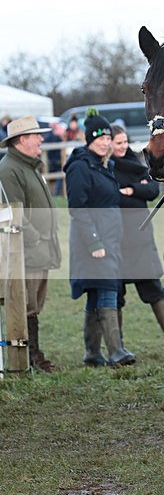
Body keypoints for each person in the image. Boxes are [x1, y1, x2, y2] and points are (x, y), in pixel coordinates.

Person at [64, 108, 135, 367]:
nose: (106, 143)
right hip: (92, 243)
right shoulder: (80, 167)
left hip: (109, 241)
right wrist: (94, 241)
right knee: (106, 290)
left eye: (108, 138)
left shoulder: (103, 166)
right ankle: (116, 350)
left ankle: (92, 353)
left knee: (97, 294)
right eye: (101, 139)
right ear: (90, 139)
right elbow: (78, 209)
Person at [0, 116, 61, 371]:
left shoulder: (28, 166)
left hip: (40, 248)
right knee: (25, 305)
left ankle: (33, 355)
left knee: (34, 305)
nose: (41, 139)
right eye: (36, 135)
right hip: (25, 250)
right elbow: (14, 213)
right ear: (22, 139)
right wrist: (35, 237)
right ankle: (29, 358)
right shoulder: (9, 169)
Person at [110, 125, 164, 344]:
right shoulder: (106, 167)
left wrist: (131, 190)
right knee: (114, 295)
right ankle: (116, 348)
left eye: (124, 141)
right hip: (116, 239)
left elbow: (153, 190)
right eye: (118, 143)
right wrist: (135, 190)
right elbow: (111, 197)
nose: (123, 146)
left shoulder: (135, 162)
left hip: (140, 238)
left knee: (155, 290)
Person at [43, 119, 67, 196]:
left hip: (54, 161)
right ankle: (57, 194)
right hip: (54, 162)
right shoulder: (54, 137)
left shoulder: (49, 136)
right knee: (61, 172)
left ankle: (57, 193)